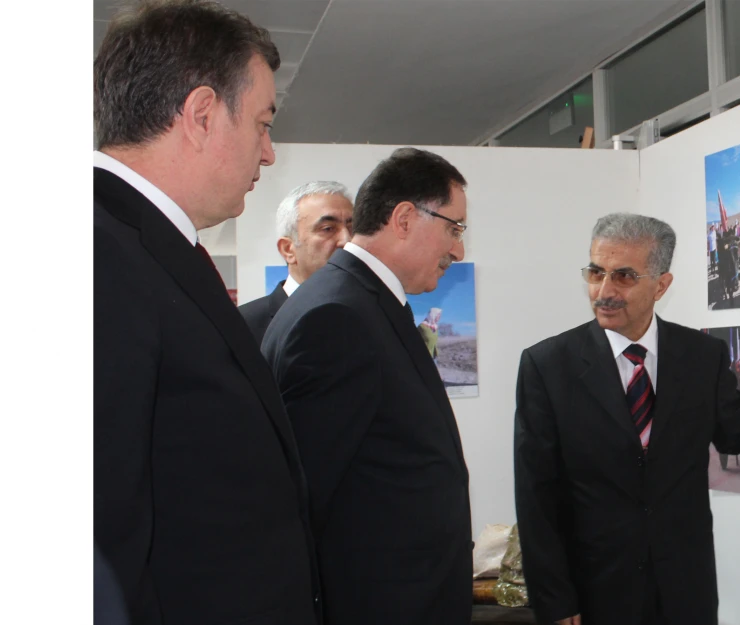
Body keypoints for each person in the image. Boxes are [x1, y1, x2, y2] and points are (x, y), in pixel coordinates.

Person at [513, 213, 740, 625]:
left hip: (685, 589)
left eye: (624, 276)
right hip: (594, 593)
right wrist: (555, 599)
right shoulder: (547, 365)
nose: (603, 291)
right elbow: (536, 494)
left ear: (661, 284)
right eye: (596, 273)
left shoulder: (700, 357)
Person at [93, 2, 319, 624]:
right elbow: (99, 537)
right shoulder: (98, 253)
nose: (268, 153)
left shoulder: (150, 246)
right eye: (262, 123)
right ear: (199, 115)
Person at [261, 147, 472, 625]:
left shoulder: (362, 301)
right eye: (454, 227)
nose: (458, 249)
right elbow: (304, 498)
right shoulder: (339, 317)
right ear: (403, 218)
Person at [240, 181, 354, 344]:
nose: (346, 240)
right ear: (288, 249)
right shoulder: (245, 325)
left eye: (352, 229)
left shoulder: (372, 316)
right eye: (328, 229)